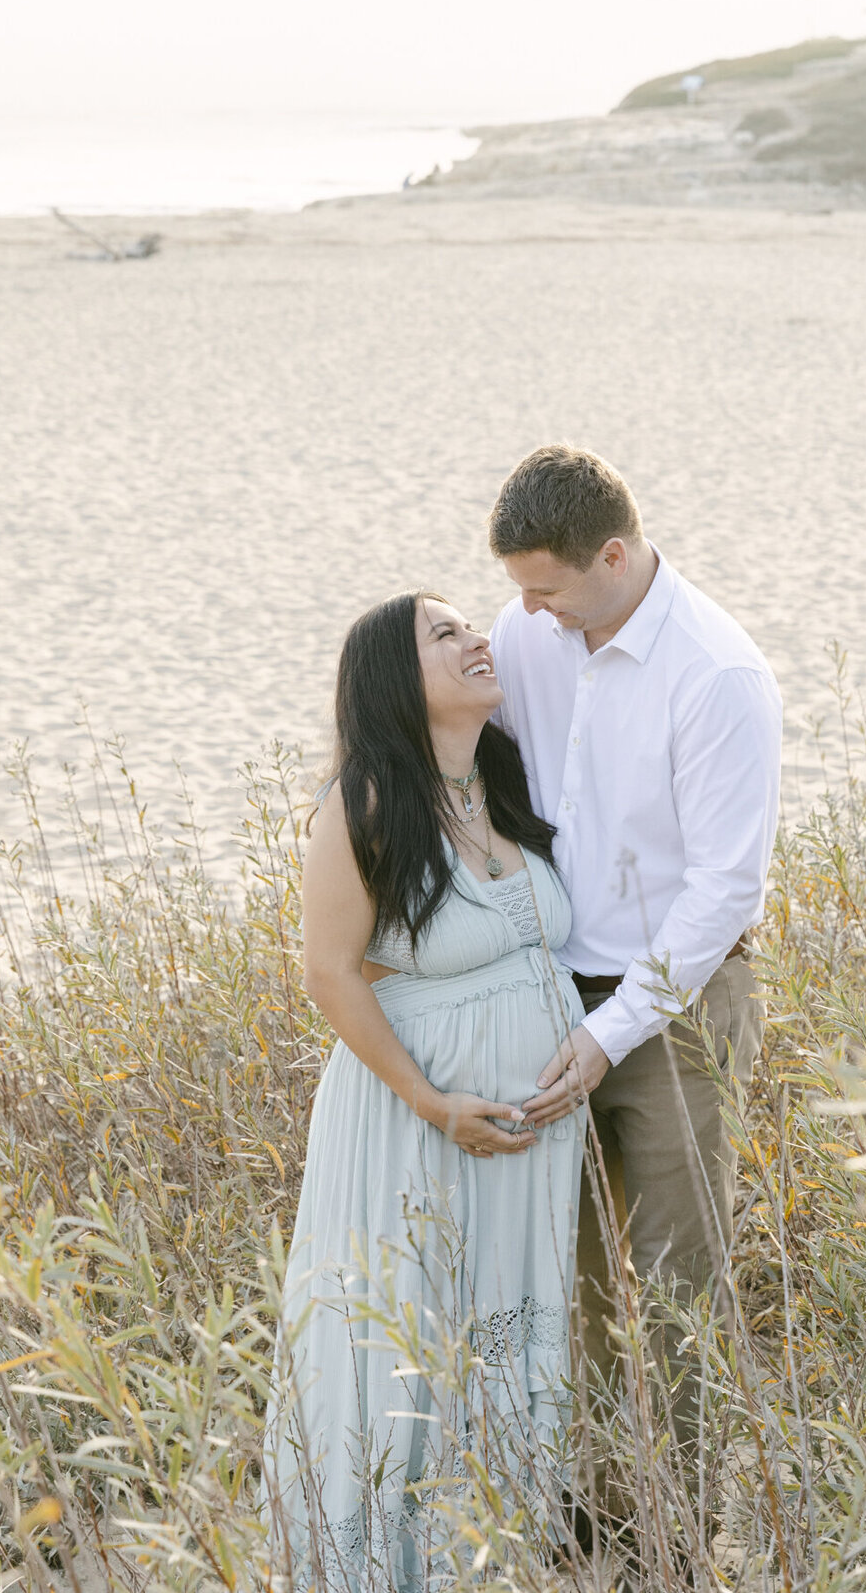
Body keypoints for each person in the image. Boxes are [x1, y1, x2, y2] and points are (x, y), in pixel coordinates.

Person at [263, 590, 586, 1592]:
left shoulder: (504, 775)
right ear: (397, 681)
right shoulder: (364, 802)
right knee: (413, 1339)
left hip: (531, 1140)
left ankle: (488, 1561)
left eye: (467, 626)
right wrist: (431, 1102)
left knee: (507, 1332)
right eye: (442, 635)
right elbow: (328, 970)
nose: (475, 640)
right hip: (420, 1128)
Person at [487, 444, 782, 1501]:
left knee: (672, 1285)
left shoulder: (719, 675)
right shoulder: (529, 631)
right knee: (564, 1280)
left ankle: (676, 1532)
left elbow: (723, 893)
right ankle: (589, 1511)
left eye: (546, 591)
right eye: (518, 592)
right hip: (542, 997)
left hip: (678, 1010)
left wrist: (608, 1036)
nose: (526, 614)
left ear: (612, 555)